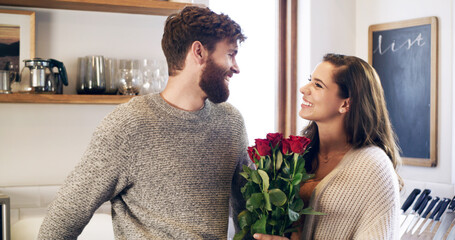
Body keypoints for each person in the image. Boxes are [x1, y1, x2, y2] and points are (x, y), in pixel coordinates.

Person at [38, 6, 250, 239]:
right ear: (198, 52)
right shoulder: (129, 125)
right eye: (230, 54)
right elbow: (64, 218)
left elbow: (248, 213)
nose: (236, 67)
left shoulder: (231, 122)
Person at [254, 53, 401, 240]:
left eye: (318, 85)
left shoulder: (374, 167)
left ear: (345, 103)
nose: (303, 89)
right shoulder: (299, 155)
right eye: (310, 80)